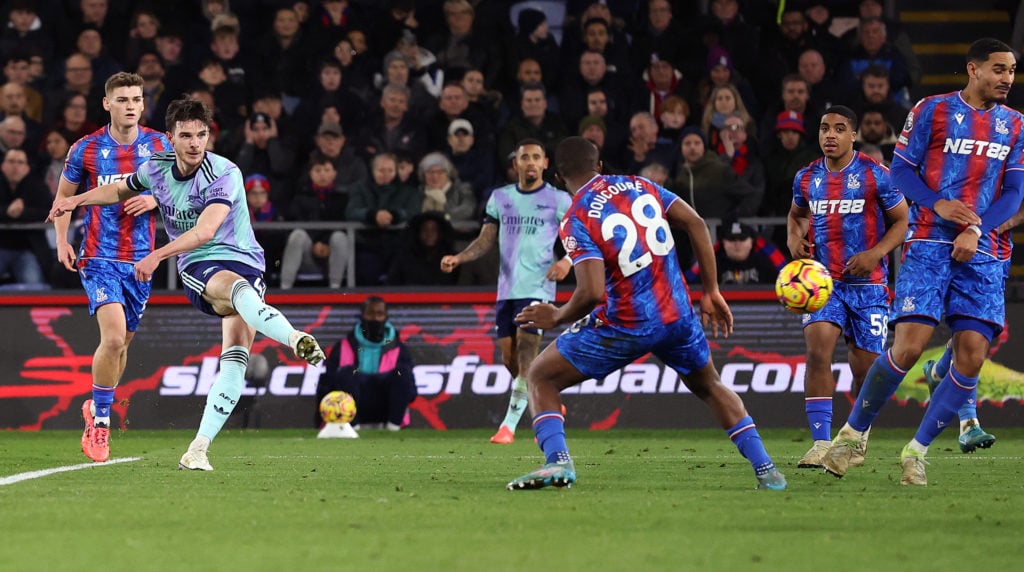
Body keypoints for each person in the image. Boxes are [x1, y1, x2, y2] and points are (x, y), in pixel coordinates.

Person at [48, 98, 327, 472]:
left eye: (201, 135)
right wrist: (77, 199)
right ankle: (293, 337)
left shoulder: (224, 172)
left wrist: (156, 255)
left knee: (236, 356)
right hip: (201, 263)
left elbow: (206, 229)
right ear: (171, 138)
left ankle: (198, 448)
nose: (195, 143)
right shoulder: (157, 168)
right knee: (234, 290)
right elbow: (119, 191)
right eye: (186, 136)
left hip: (243, 256)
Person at [508, 136, 786, 491]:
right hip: (677, 313)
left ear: (558, 179)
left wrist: (558, 315)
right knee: (710, 385)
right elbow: (697, 223)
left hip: (628, 321)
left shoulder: (576, 217)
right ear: (600, 165)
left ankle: (557, 463)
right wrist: (712, 290)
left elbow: (591, 292)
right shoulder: (639, 185)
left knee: (541, 376)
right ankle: (767, 470)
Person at [822, 39, 1024, 485]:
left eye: (1011, 71)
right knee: (910, 346)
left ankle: (917, 451)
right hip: (930, 240)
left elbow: (1013, 192)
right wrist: (939, 204)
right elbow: (901, 171)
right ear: (973, 69)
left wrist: (977, 228)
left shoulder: (1016, 125)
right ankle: (852, 436)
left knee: (971, 357)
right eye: (998, 69)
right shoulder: (931, 110)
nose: (1007, 78)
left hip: (985, 249)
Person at [51, 72, 170, 463]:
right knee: (114, 337)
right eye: (122, 99)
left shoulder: (159, 144)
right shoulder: (86, 149)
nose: (131, 105)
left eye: (136, 98)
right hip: (98, 257)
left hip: (141, 260)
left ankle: (95, 405)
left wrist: (154, 200)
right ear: (107, 104)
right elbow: (65, 197)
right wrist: (62, 240)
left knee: (122, 348)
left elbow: (178, 190)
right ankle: (100, 422)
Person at [787, 105, 908, 468]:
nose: (830, 135)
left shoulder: (876, 175)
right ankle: (821, 443)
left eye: (840, 129)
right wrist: (794, 239)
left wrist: (876, 254)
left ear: (853, 135)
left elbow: (903, 221)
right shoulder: (806, 177)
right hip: (824, 282)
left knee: (866, 371)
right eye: (825, 128)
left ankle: (856, 437)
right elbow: (797, 215)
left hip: (869, 285)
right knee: (818, 351)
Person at [440, 139, 572, 445]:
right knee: (510, 359)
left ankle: (507, 427)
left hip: (539, 286)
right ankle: (548, 398)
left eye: (536, 157)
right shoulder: (500, 198)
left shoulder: (559, 200)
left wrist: (566, 262)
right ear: (516, 164)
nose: (530, 162)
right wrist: (459, 258)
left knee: (527, 353)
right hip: (507, 289)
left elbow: (579, 239)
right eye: (524, 157)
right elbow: (486, 240)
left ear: (545, 164)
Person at [317, 296, 417, 430]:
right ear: (362, 315)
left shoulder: (399, 349)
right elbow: (327, 384)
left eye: (379, 314)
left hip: (386, 407)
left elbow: (410, 390)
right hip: (351, 407)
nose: (375, 318)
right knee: (346, 373)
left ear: (386, 317)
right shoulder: (342, 347)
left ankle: (393, 429)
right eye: (370, 313)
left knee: (402, 373)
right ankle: (352, 427)